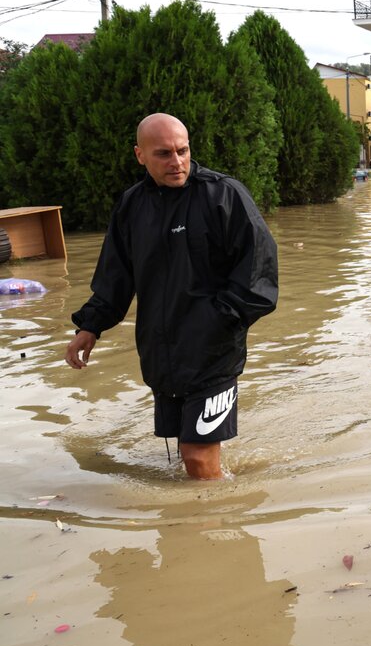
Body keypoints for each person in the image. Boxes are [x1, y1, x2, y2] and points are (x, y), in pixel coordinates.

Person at [64, 113, 279, 479]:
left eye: (183, 150)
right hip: (160, 352)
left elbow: (259, 274)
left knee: (196, 455)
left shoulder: (224, 195)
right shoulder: (132, 206)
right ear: (140, 155)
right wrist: (90, 327)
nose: (177, 162)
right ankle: (189, 523)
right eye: (163, 153)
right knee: (184, 449)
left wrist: (218, 321)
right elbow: (116, 277)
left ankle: (209, 525)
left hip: (214, 352)